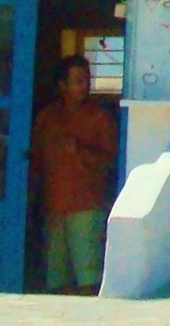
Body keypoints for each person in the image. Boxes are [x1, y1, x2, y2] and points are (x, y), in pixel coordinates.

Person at [29, 55, 119, 295]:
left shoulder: (99, 117)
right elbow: (35, 160)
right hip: (53, 205)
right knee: (56, 278)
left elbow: (110, 161)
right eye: (77, 81)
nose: (83, 87)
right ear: (62, 86)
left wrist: (81, 151)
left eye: (85, 80)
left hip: (86, 205)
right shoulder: (47, 118)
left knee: (88, 277)